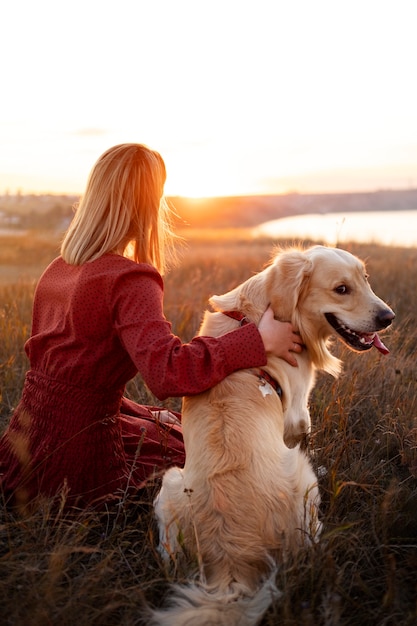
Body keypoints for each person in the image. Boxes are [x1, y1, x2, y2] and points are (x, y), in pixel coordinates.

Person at [0, 143, 303, 513]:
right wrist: (256, 339)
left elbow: (68, 376)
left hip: (27, 440)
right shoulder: (130, 278)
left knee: (168, 425)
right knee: (202, 454)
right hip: (79, 462)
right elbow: (168, 374)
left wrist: (134, 412)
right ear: (149, 205)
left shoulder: (58, 268)